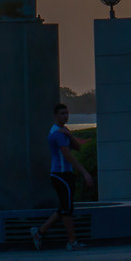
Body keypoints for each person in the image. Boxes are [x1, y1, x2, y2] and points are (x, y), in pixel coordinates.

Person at [32, 102, 94, 250]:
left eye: (67, 113)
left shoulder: (63, 131)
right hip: (60, 174)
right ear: (55, 116)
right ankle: (71, 241)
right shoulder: (57, 134)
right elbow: (67, 156)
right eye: (62, 113)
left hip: (66, 174)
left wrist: (70, 135)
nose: (65, 116)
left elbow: (78, 148)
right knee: (66, 209)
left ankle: (39, 232)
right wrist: (85, 173)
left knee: (66, 207)